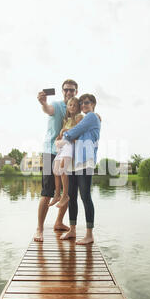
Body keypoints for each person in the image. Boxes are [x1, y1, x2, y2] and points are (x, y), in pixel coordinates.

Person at [34, 79, 78, 242]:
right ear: (62, 91)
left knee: (68, 192)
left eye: (72, 90)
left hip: (67, 153)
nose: (69, 92)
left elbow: (85, 118)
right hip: (50, 152)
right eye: (66, 90)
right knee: (47, 192)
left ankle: (59, 222)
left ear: (76, 92)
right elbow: (48, 109)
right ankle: (39, 229)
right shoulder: (57, 105)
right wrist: (43, 103)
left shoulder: (75, 107)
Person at [55, 94, 101, 245]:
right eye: (81, 103)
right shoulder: (85, 118)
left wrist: (64, 134)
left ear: (93, 104)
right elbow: (76, 133)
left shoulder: (92, 116)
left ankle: (89, 234)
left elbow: (74, 132)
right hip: (76, 162)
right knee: (72, 196)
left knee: (85, 196)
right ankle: (72, 230)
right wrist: (69, 136)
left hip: (86, 161)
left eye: (86, 103)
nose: (83, 105)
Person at [49, 97, 83, 209]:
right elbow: (61, 134)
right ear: (67, 107)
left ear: (78, 107)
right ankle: (57, 194)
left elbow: (78, 131)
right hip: (63, 145)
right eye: (70, 105)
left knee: (63, 168)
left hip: (70, 145)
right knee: (55, 169)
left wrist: (64, 131)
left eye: (75, 105)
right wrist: (59, 136)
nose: (72, 107)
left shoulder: (79, 117)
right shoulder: (66, 119)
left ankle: (65, 195)